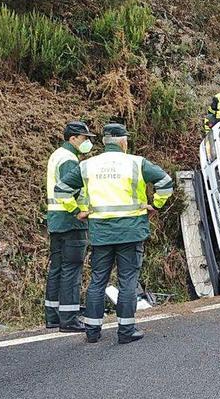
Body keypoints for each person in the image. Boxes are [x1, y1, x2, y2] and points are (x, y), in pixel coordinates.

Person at [54, 123, 174, 344]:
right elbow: (166, 182)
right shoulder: (137, 163)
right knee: (127, 280)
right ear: (123, 142)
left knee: (98, 280)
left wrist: (76, 211)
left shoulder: (87, 165)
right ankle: (126, 331)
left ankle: (92, 331)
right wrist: (155, 204)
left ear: (104, 142)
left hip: (101, 232)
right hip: (131, 231)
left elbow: (61, 189)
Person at [43, 121, 94, 332]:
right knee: (71, 269)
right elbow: (66, 190)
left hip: (56, 220)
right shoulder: (69, 160)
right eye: (84, 138)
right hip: (71, 221)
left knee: (57, 268)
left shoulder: (57, 155)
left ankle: (53, 316)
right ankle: (69, 318)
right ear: (73, 138)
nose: (87, 142)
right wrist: (77, 212)